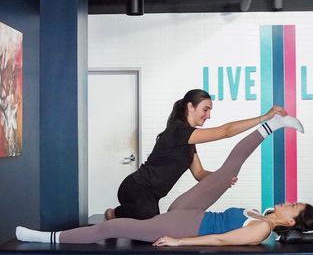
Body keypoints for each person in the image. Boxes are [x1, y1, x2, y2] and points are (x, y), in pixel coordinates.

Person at [16, 114, 313, 247]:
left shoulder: (260, 229)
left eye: (292, 206)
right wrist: (218, 183)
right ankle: (275, 125)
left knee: (112, 228)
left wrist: (180, 242)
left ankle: (46, 238)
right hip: (191, 211)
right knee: (228, 171)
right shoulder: (265, 214)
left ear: (292, 222)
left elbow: (219, 240)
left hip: (184, 227)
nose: (286, 202)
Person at [104, 89, 288, 221]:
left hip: (152, 196)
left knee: (150, 225)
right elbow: (225, 131)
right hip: (135, 187)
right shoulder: (177, 131)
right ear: (190, 107)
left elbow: (199, 174)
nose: (208, 116)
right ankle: (113, 213)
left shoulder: (189, 142)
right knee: (146, 215)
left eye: (210, 111)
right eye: (205, 109)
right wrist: (264, 117)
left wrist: (221, 178)